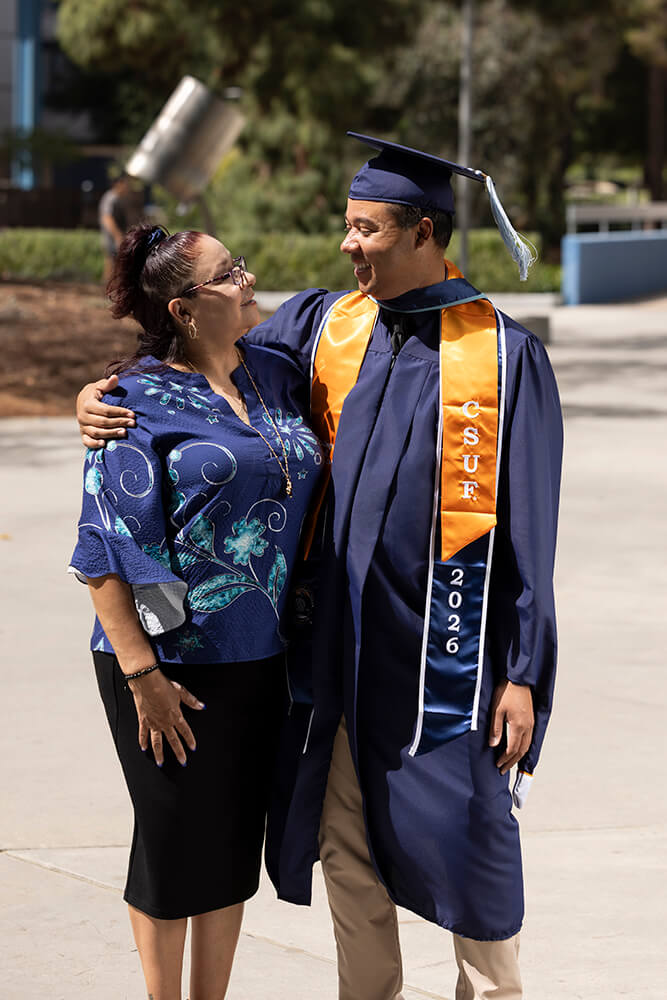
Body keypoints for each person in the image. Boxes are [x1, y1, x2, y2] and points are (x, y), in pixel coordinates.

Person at [77, 134, 563, 1000]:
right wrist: (103, 393)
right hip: (335, 653)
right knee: (347, 851)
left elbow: (532, 528)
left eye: (365, 228)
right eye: (346, 224)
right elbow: (195, 359)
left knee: (472, 843)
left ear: (422, 233)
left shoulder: (501, 354)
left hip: (445, 654)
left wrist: (523, 672)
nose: (346, 245)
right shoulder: (325, 325)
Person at [69, 222, 323, 1000]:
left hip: (261, 652)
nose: (246, 279)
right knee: (173, 841)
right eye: (228, 273)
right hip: (162, 662)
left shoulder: (276, 373)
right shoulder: (132, 400)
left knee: (230, 843)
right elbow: (105, 549)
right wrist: (142, 672)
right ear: (183, 308)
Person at [98, 173, 131, 281]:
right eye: (126, 184)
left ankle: (107, 290)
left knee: (114, 264)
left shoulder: (117, 198)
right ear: (119, 184)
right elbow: (107, 218)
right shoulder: (111, 198)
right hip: (111, 238)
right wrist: (117, 236)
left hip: (115, 237)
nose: (127, 187)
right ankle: (106, 290)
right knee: (112, 264)